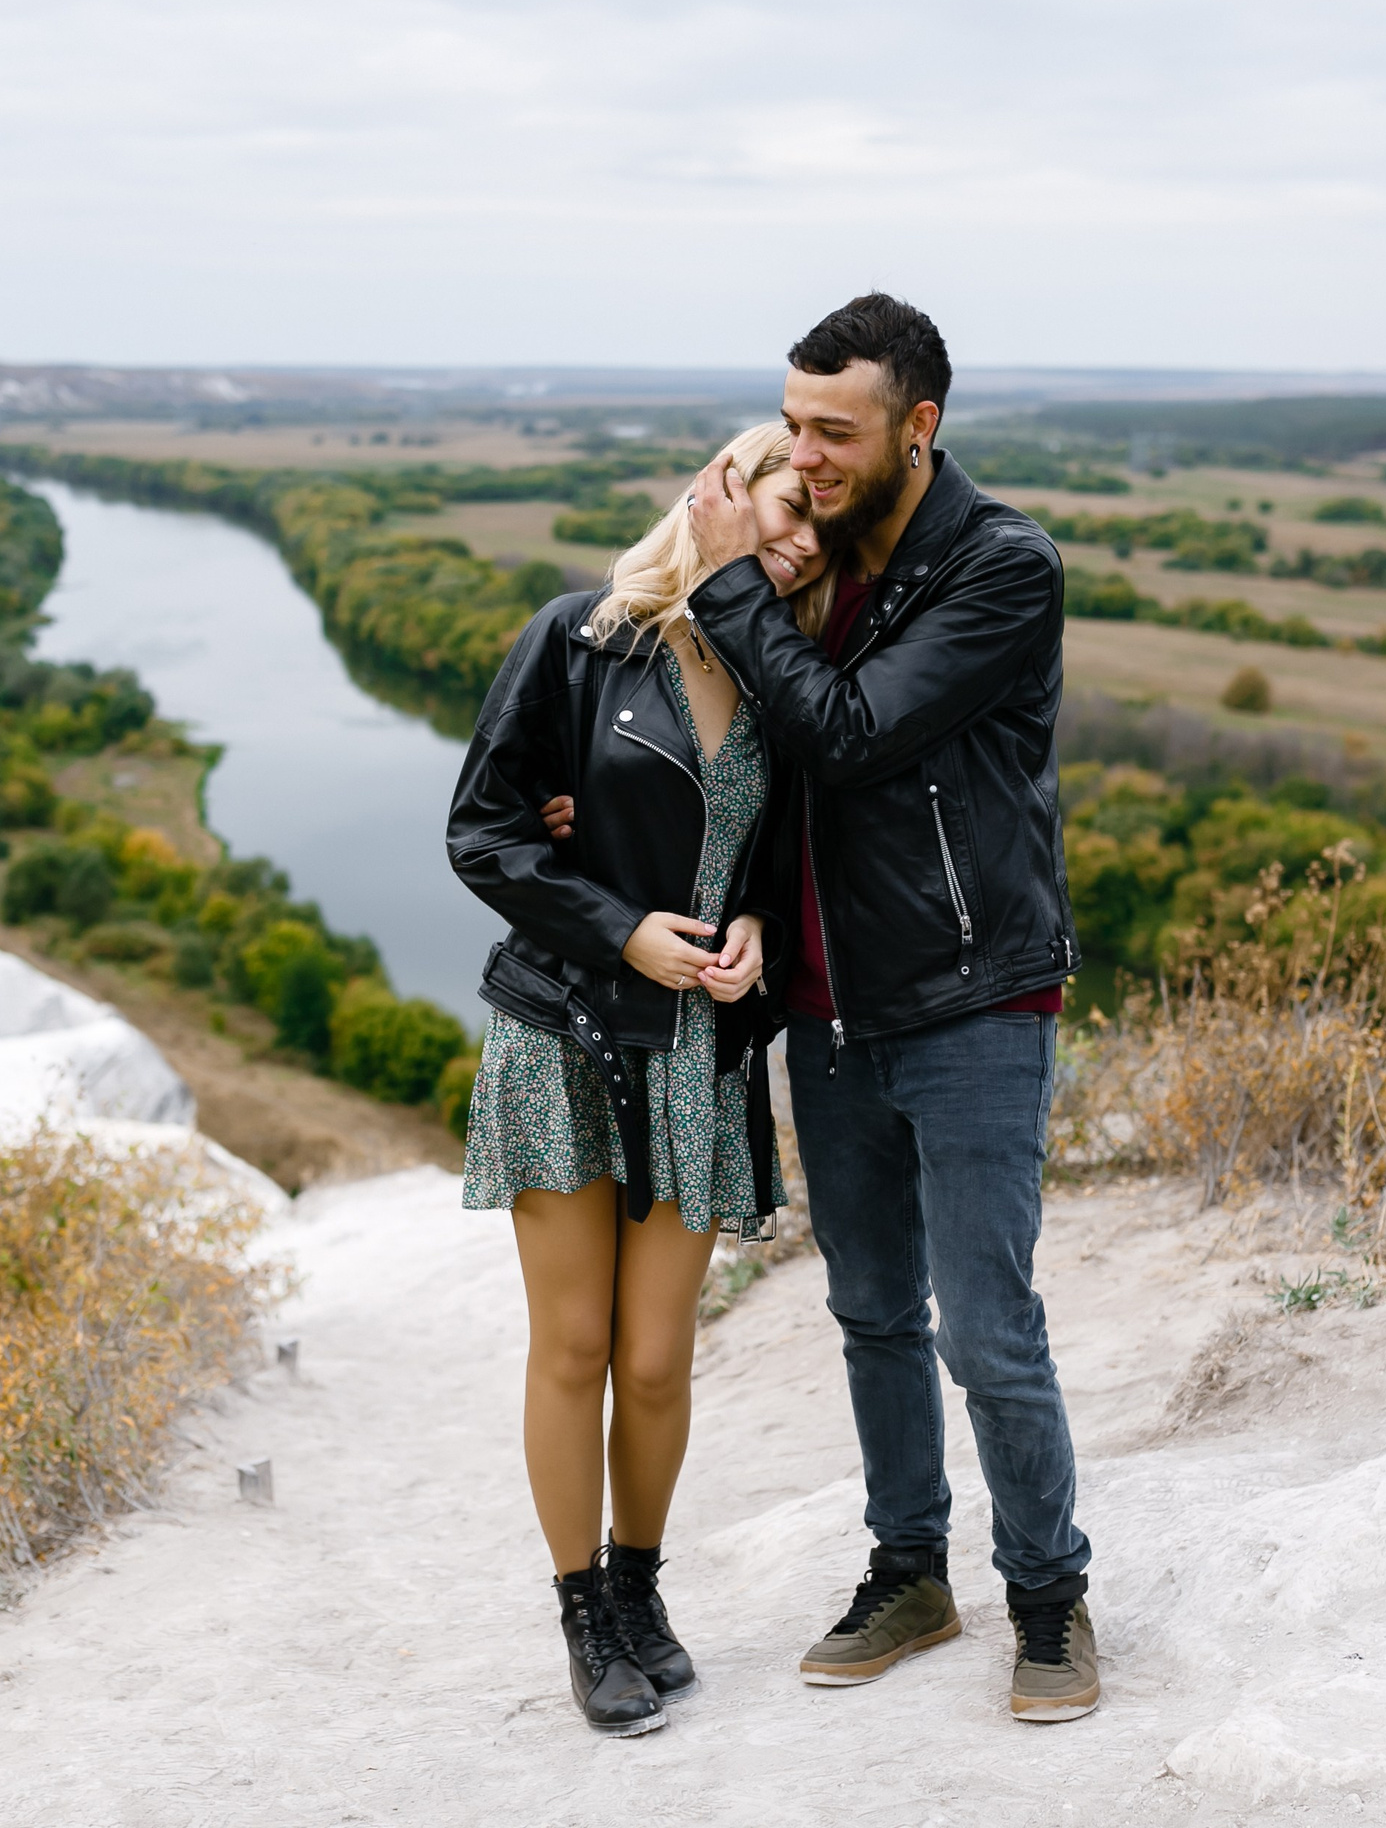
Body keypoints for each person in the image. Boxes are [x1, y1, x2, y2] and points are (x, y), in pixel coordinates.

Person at [679, 294, 1099, 1722]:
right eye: (792, 423)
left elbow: (848, 739)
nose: (806, 452)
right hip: (827, 1003)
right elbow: (754, 762)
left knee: (987, 1329)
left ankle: (1049, 1603)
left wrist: (735, 589)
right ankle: (910, 1576)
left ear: (920, 427)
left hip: (973, 996)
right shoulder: (809, 559)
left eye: (836, 430)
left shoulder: (998, 567)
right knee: (869, 1310)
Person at [444, 422, 828, 1737]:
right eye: (779, 517)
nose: (795, 550)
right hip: (565, 1033)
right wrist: (621, 928)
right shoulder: (579, 640)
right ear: (714, 497)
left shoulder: (789, 671)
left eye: (814, 534)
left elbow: (788, 860)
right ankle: (581, 1616)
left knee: (660, 1359)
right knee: (579, 1342)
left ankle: (642, 1589)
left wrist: (763, 931)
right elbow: (484, 833)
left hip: (700, 1056)